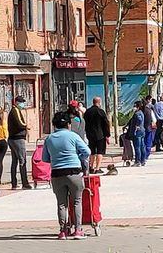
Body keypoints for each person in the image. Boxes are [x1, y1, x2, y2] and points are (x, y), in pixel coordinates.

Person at [42, 111, 91, 240]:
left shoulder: (49, 139)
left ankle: (63, 231)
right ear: (68, 124)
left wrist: (56, 159)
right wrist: (78, 157)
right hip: (74, 172)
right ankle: (78, 230)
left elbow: (45, 159)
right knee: (76, 201)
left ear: (54, 125)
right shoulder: (73, 136)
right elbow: (87, 151)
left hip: (57, 173)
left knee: (61, 203)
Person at [8, 96, 32, 190]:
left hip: (13, 138)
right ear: (17, 102)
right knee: (22, 160)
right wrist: (26, 126)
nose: (23, 104)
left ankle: (14, 183)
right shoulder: (15, 110)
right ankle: (24, 183)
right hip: (17, 138)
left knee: (15, 161)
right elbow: (20, 123)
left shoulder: (15, 111)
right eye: (21, 102)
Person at [83, 97, 111, 174]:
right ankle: (97, 168)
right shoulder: (101, 112)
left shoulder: (88, 112)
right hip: (100, 135)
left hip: (90, 134)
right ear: (99, 102)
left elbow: (84, 123)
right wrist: (107, 135)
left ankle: (91, 167)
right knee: (100, 151)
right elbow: (106, 124)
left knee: (92, 151)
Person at [127, 100, 146, 167]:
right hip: (142, 131)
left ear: (138, 107)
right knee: (142, 146)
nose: (134, 107)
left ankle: (138, 161)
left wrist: (137, 126)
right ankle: (143, 160)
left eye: (135, 106)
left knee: (137, 147)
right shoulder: (141, 112)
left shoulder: (137, 113)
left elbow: (139, 120)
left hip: (137, 132)